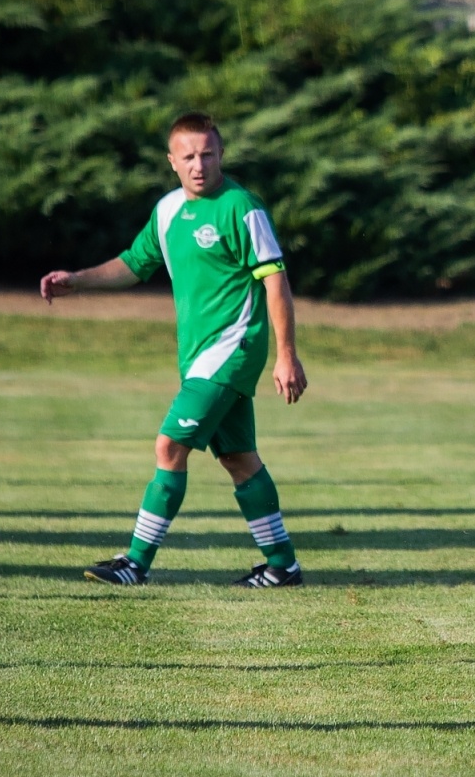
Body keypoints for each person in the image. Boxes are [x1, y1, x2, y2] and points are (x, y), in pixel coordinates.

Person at [39, 112, 310, 587]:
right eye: (189, 156)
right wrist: (77, 281)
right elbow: (133, 264)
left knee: (169, 445)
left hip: (233, 348)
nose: (199, 164)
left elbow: (276, 284)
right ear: (172, 162)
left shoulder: (241, 208)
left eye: (208, 153)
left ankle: (136, 563)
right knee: (239, 458)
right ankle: (282, 565)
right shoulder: (167, 212)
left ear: (222, 154)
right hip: (198, 356)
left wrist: (286, 354)